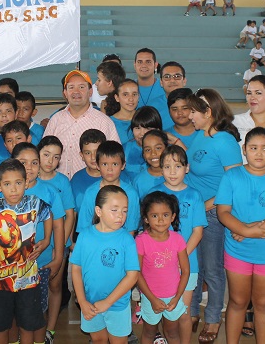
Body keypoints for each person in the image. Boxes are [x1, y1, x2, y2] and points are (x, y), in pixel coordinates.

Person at [216, 127, 265, 344]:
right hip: (237, 250)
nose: (259, 153)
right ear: (244, 149)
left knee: (263, 303)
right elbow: (223, 212)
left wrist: (249, 229)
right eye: (253, 148)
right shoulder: (232, 176)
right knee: (237, 301)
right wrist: (244, 231)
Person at [184, 89, 243, 342]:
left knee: (212, 270)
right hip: (194, 213)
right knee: (194, 267)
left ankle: (213, 318)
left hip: (212, 216)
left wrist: (206, 206)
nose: (189, 116)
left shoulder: (225, 141)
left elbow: (235, 183)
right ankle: (193, 311)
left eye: (193, 111)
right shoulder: (200, 135)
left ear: (208, 112)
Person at [0, 159, 52, 344]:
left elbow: (48, 215)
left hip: (28, 279)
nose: (13, 189)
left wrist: (46, 240)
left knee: (28, 323)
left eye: (18, 183)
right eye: (7, 184)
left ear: (26, 183)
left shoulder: (35, 202)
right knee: (1, 324)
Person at [71, 185, 140, 344]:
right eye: (114, 210)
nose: (120, 215)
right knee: (98, 340)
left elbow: (132, 275)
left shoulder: (127, 240)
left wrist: (107, 302)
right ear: (99, 211)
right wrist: (82, 301)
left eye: (124, 211)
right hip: (90, 303)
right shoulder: (85, 236)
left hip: (117, 305)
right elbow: (76, 269)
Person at [151, 146, 206, 338]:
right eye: (167, 167)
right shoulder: (155, 194)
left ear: (187, 168)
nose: (172, 172)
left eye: (178, 166)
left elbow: (197, 232)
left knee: (183, 312)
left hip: (187, 264)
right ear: (161, 169)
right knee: (164, 313)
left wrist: (179, 257)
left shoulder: (195, 195)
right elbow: (148, 231)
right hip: (159, 264)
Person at [136, 191, 191, 344]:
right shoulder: (141, 241)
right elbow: (137, 273)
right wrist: (152, 299)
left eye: (165, 215)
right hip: (150, 297)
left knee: (172, 333)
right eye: (154, 216)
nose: (160, 220)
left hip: (173, 297)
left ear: (173, 217)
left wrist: (177, 297)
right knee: (149, 332)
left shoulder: (178, 239)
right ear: (146, 218)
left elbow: (186, 271)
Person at [44, 69, 120, 178]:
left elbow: (115, 157)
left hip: (92, 184)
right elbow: (44, 154)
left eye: (81, 87)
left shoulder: (104, 122)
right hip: (59, 185)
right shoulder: (55, 120)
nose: (76, 92)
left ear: (90, 92)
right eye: (71, 87)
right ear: (65, 93)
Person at [37, 136, 76, 343]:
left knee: (54, 286)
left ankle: (49, 331)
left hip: (58, 244)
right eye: (46, 155)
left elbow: (70, 214)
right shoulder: (28, 179)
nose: (50, 161)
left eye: (56, 157)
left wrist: (60, 246)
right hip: (36, 246)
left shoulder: (62, 181)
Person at [77, 141, 141, 235]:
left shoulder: (131, 193)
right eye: (104, 164)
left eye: (115, 164)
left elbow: (131, 229)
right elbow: (84, 228)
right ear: (97, 165)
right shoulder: (91, 192)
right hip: (95, 241)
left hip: (121, 241)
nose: (110, 169)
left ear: (123, 165)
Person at [133, 48, 171, 130]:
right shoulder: (128, 88)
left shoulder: (165, 87)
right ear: (135, 65)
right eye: (140, 62)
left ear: (155, 65)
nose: (144, 65)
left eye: (148, 62)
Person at [71, 129, 106, 211]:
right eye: (88, 153)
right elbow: (72, 212)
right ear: (82, 155)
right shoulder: (76, 179)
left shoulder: (117, 176)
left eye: (96, 152)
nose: (93, 157)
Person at [128, 129, 168, 199]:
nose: (153, 153)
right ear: (143, 154)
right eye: (148, 150)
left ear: (167, 149)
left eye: (158, 148)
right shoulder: (139, 181)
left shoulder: (177, 176)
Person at [106, 78, 140, 144]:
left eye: (134, 94)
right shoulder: (110, 122)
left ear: (138, 97)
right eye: (125, 94)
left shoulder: (145, 119)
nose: (131, 99)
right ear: (117, 98)